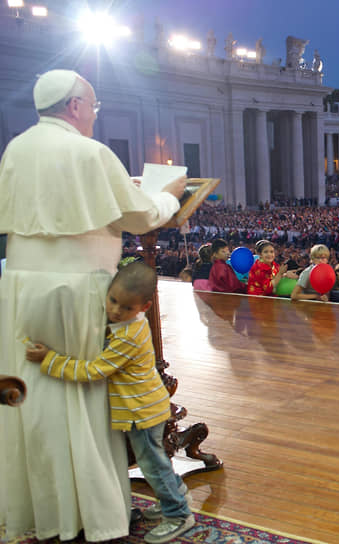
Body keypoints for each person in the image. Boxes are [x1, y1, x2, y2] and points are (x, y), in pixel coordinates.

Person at [0, 69, 186, 542]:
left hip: (20, 284)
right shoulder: (90, 152)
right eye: (94, 109)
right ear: (77, 105)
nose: (93, 119)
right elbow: (141, 214)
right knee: (82, 398)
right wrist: (167, 197)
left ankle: (49, 511)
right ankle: (96, 513)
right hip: (76, 288)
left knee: (34, 397)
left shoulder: (16, 149)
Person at [24, 263, 195, 544]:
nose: (115, 310)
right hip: (144, 405)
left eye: (126, 308)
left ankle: (178, 513)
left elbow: (94, 371)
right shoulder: (126, 325)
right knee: (155, 460)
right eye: (112, 300)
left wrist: (49, 360)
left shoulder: (128, 335)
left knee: (152, 464)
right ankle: (176, 495)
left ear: (144, 306)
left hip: (142, 410)